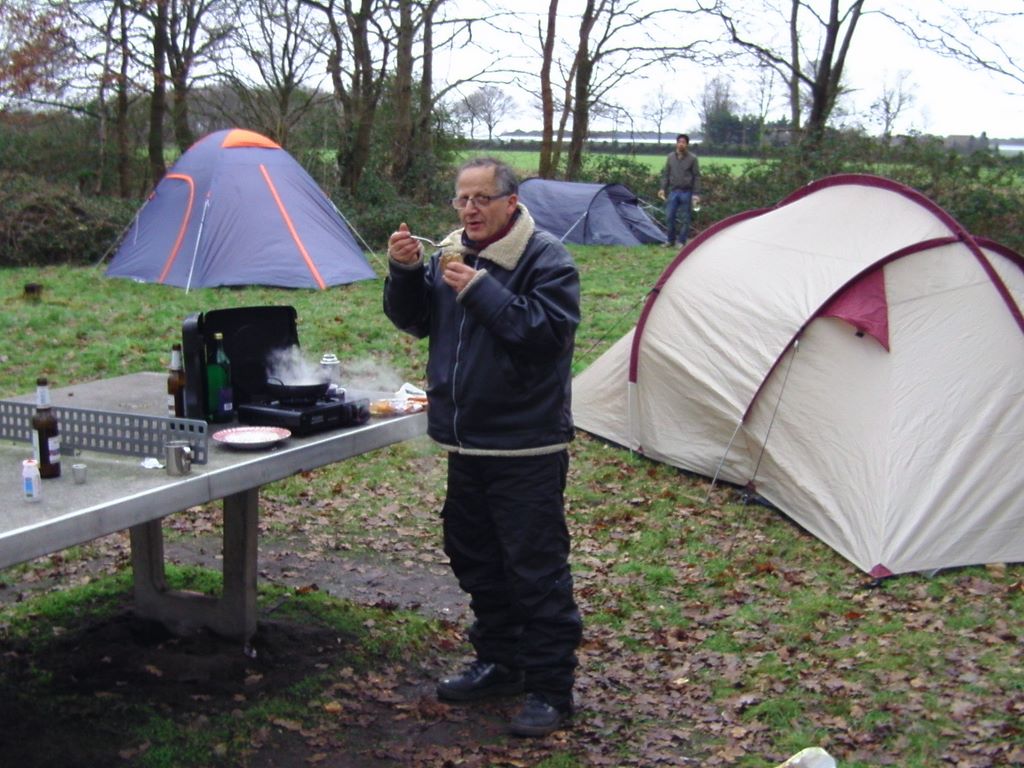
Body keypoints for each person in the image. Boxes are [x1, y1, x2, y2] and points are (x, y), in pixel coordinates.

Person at [383, 157, 583, 738]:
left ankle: (550, 689)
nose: (469, 209)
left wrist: (481, 290)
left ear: (510, 203)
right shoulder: (450, 252)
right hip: (465, 442)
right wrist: (404, 272)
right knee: (475, 558)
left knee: (535, 570)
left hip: (525, 446)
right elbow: (414, 320)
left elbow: (545, 336)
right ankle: (501, 663)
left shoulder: (546, 260)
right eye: (461, 199)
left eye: (481, 199)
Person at [657, 133, 702, 248]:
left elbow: (697, 176)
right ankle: (670, 240)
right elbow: (666, 174)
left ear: (687, 144)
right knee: (669, 217)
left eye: (683, 142)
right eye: (679, 142)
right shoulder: (670, 157)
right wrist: (662, 188)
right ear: (676, 143)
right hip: (673, 191)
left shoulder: (692, 158)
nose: (681, 144)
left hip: (687, 192)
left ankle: (681, 241)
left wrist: (696, 194)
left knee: (685, 219)